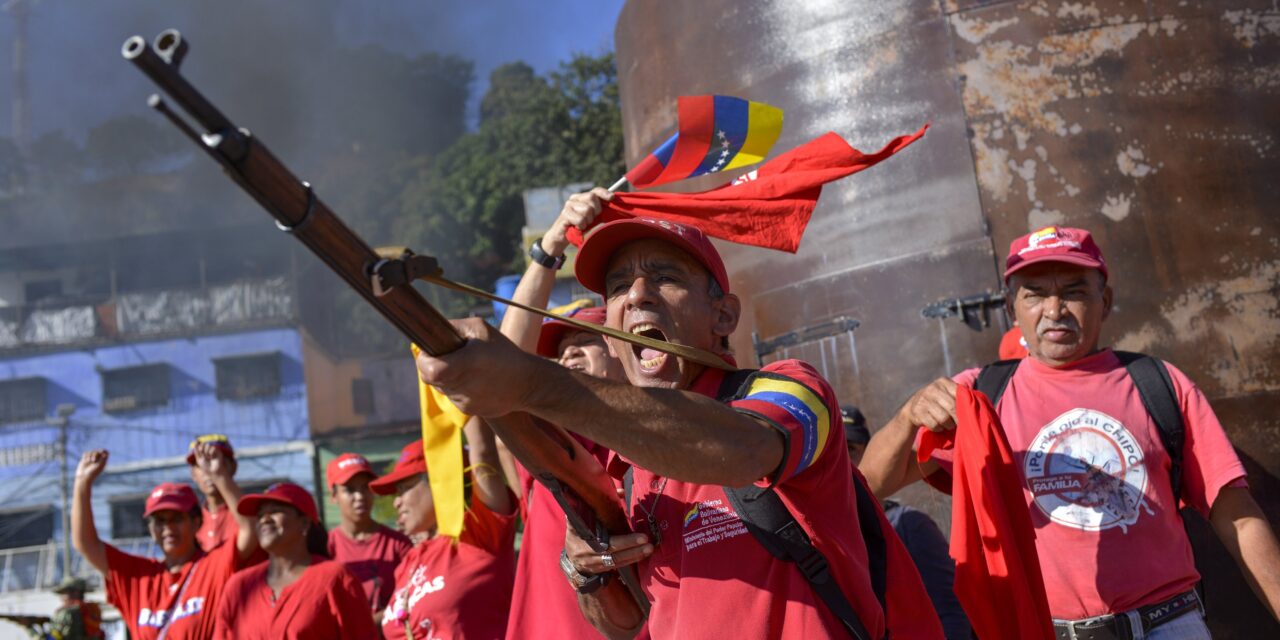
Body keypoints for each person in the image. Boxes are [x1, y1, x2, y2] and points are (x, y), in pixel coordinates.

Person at [414, 208, 943, 639]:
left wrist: (531, 385)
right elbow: (629, 624)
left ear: (724, 317)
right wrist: (588, 575)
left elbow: (742, 451)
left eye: (664, 278)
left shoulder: (787, 387)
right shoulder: (625, 469)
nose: (638, 295)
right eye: (618, 287)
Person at [860, 226, 1280, 637]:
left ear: (1106, 300)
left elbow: (1238, 518)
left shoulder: (1158, 383)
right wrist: (907, 417)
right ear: (1011, 308)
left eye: (1075, 291)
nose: (1055, 309)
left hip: (1168, 624)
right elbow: (872, 484)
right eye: (1035, 293)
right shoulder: (980, 396)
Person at [496, 189, 629, 639]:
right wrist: (550, 247)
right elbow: (504, 370)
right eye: (559, 353)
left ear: (618, 349)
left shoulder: (653, 442)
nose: (567, 357)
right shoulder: (546, 443)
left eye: (582, 345)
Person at [71, 445, 258, 639]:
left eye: (176, 519)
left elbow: (251, 528)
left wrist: (220, 477)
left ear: (197, 522)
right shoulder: (138, 577)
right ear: (151, 529)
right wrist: (82, 483)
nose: (168, 528)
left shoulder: (214, 566)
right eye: (160, 521)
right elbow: (86, 543)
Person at [373, 431, 517, 639]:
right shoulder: (410, 561)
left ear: (439, 482)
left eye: (404, 489)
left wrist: (471, 408)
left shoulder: (479, 534)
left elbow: (483, 457)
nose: (397, 502)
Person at [843, 406, 971, 640]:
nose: (842, 457)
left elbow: (951, 611)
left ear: (870, 453)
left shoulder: (910, 525)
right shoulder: (818, 533)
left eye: (851, 448)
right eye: (834, 449)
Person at [213, 482, 377, 639]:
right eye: (261, 514)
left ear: (304, 523)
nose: (265, 519)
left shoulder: (335, 578)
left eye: (276, 511)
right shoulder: (238, 586)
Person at [325, 452, 413, 621]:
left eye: (365, 487)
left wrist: (371, 625)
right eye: (349, 490)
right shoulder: (326, 547)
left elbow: (411, 598)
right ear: (334, 496)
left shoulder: (399, 544)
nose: (359, 497)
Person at [186, 434, 240, 552]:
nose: (209, 469)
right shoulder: (190, 521)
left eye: (217, 459)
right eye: (200, 465)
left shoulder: (251, 513)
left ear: (234, 467)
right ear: (193, 474)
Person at [19, 577, 104, 640]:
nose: (62, 598)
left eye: (64, 593)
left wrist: (30, 628)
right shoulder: (92, 609)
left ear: (75, 593)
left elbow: (53, 638)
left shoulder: (66, 612)